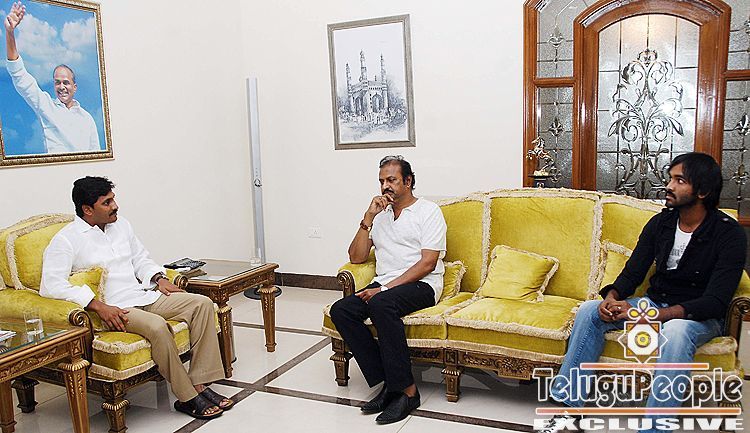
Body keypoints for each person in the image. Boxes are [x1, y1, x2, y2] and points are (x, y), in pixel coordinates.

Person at [537, 152, 747, 433]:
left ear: (702, 191)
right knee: (589, 311)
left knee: (676, 331)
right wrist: (612, 297)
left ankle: (655, 428)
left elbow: (716, 301)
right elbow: (633, 272)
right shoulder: (661, 223)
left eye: (679, 180)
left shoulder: (729, 234)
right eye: (670, 178)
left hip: (698, 316)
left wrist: (657, 316)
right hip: (655, 303)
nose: (669, 186)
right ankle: (568, 406)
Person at [40, 176, 233, 420]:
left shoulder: (122, 225)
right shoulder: (66, 240)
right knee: (157, 326)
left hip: (142, 295)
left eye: (113, 199)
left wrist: (159, 279)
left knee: (202, 304)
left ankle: (200, 384)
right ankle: (187, 397)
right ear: (87, 209)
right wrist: (97, 305)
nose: (115, 206)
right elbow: (51, 285)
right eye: (107, 202)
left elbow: (141, 259)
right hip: (116, 309)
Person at [330, 155, 447, 425]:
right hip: (384, 283)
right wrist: (368, 218)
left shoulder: (428, 211)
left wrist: (383, 289)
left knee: (380, 303)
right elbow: (356, 257)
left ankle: (408, 392)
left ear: (408, 181)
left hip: (422, 284)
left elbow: (428, 263)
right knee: (342, 310)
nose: (385, 186)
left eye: (392, 180)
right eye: (382, 181)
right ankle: (389, 383)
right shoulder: (380, 217)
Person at [4, 1, 100, 154]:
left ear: (74, 87)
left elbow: (96, 155)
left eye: (66, 83)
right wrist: (10, 33)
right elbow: (19, 75)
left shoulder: (87, 119)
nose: (61, 87)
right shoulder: (46, 106)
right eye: (57, 82)